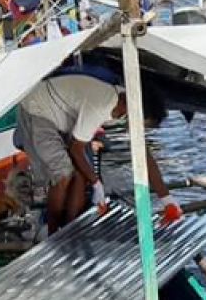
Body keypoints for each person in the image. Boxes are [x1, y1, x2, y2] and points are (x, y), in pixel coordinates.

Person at [15, 73, 181, 234]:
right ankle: (53, 235)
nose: (136, 125)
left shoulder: (127, 102)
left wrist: (167, 199)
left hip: (65, 113)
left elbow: (143, 154)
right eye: (139, 121)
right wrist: (97, 185)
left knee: (82, 175)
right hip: (37, 108)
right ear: (131, 107)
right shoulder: (101, 106)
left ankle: (69, 230)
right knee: (63, 174)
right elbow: (76, 150)